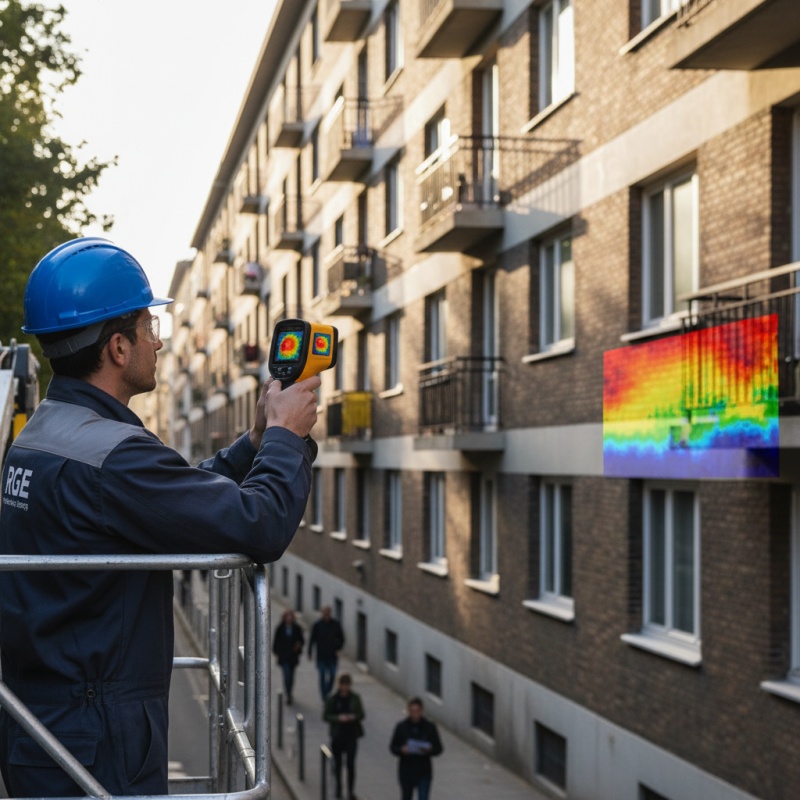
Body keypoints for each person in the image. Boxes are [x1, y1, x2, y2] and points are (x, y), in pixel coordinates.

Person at [0, 238, 321, 797]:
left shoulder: (43, 435)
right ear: (119, 347)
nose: (160, 340)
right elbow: (260, 523)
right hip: (97, 742)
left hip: (44, 726)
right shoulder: (113, 454)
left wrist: (253, 444)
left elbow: (161, 496)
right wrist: (288, 438)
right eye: (150, 326)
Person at [390, 697, 444, 800]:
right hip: (407, 770)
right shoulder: (401, 727)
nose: (415, 714)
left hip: (423, 770)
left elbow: (439, 748)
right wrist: (401, 750)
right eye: (412, 711)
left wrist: (430, 750)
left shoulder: (429, 727)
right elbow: (393, 747)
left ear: (421, 711)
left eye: (417, 711)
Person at [323, 674, 364, 800]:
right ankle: (339, 789)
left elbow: (361, 714)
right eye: (343, 685)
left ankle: (350, 791)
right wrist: (338, 718)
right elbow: (326, 716)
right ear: (340, 685)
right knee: (338, 764)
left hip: (351, 735)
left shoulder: (355, 698)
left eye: (347, 685)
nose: (345, 688)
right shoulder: (333, 699)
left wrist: (353, 717)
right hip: (338, 736)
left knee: (351, 764)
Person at [308, 605, 345, 701]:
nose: (326, 614)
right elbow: (312, 639)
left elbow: (342, 638)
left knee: (332, 676)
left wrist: (338, 648)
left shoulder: (336, 625)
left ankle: (328, 692)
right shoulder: (317, 625)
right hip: (321, 656)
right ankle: (324, 697)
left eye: (328, 612)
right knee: (322, 675)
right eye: (324, 612)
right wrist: (310, 652)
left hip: (332, 655)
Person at [272, 609, 305, 704]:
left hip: (293, 657)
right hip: (284, 656)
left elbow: (301, 640)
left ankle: (289, 691)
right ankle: (288, 693)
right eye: (287, 617)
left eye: (291, 617)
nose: (289, 619)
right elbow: (276, 641)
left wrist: (298, 645)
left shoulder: (297, 628)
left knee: (291, 675)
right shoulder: (280, 628)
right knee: (286, 674)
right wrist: (277, 652)